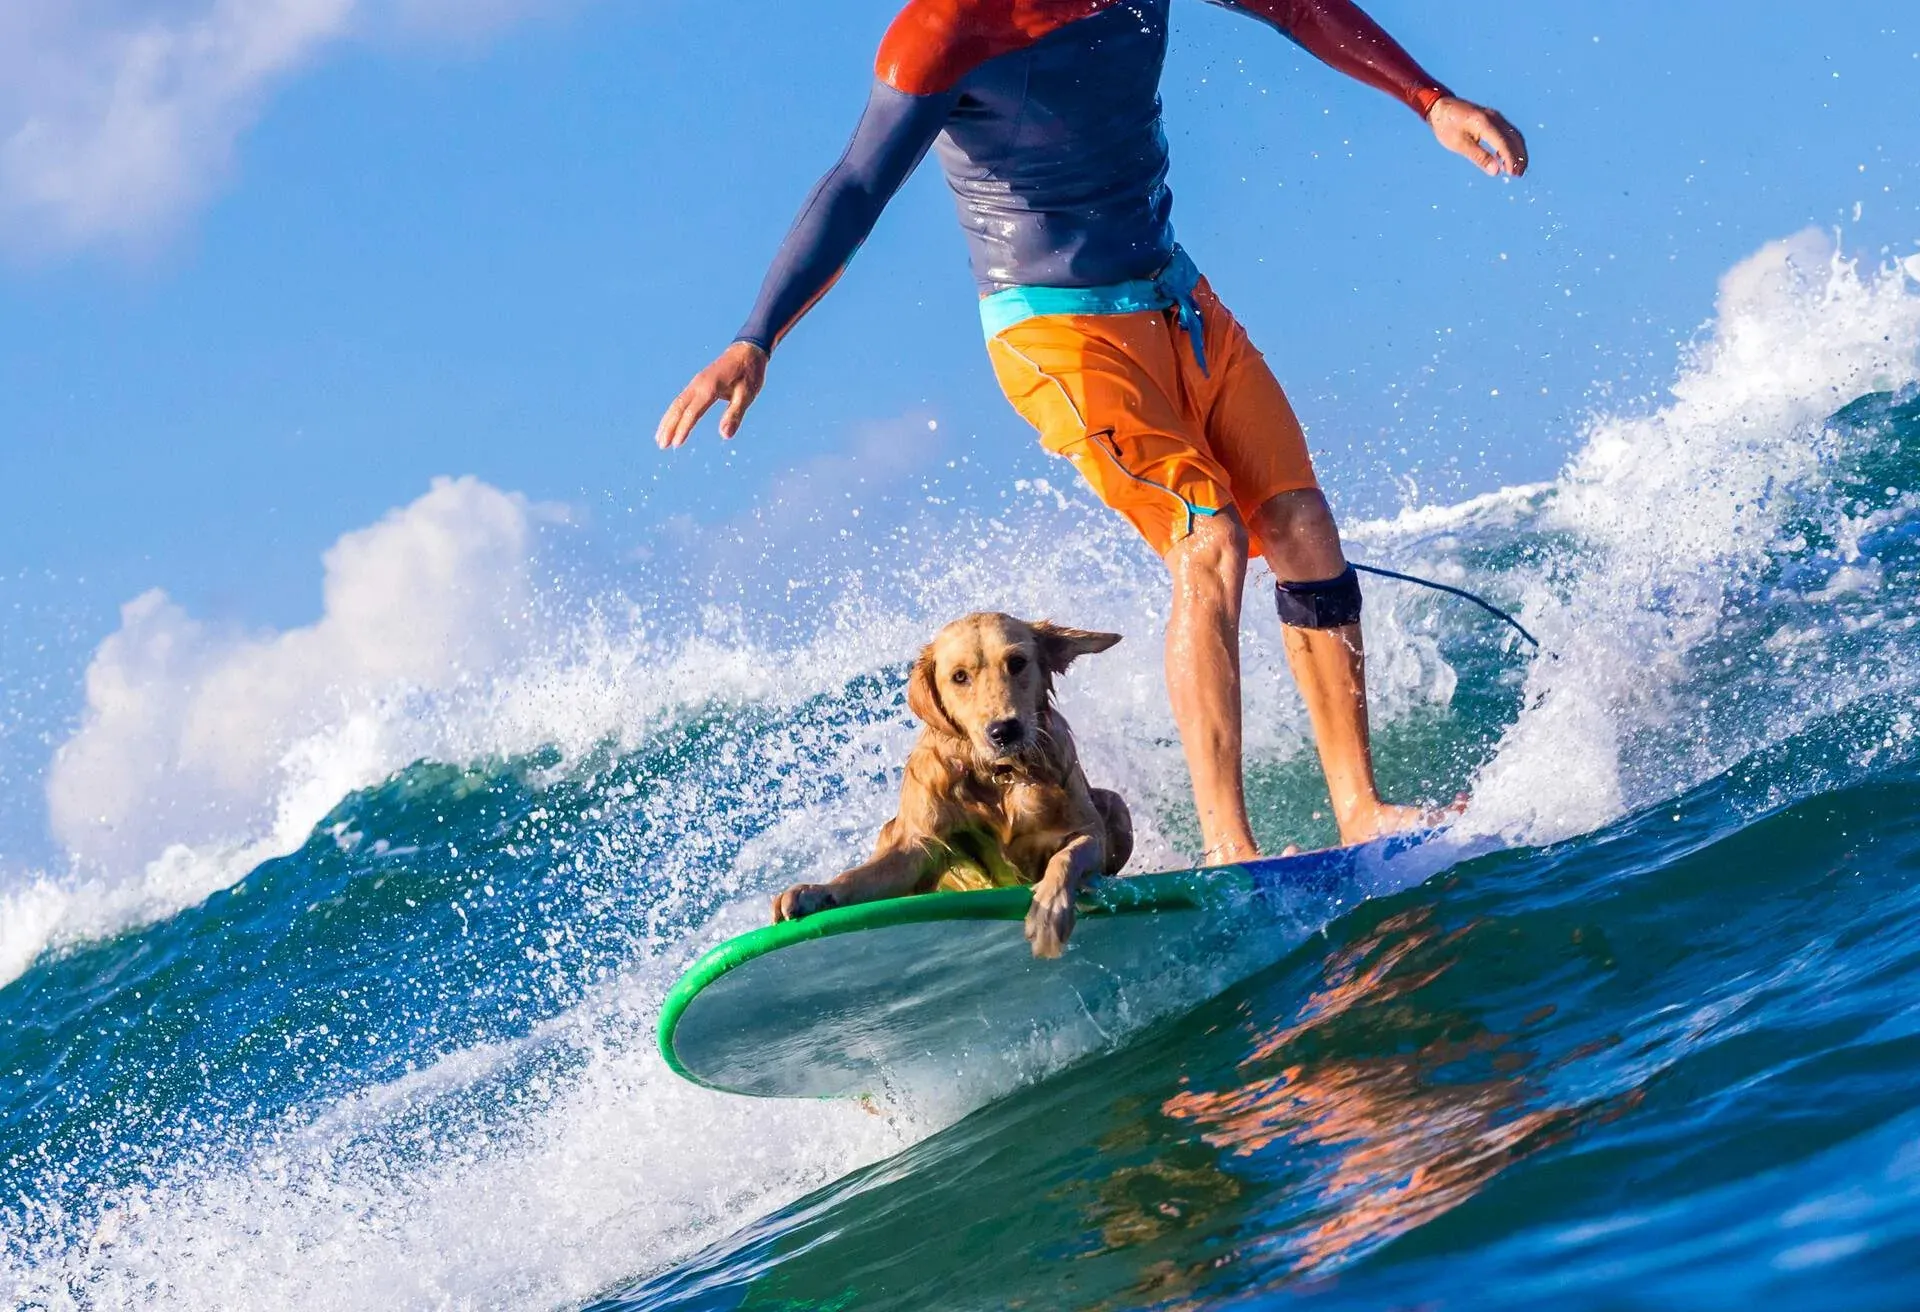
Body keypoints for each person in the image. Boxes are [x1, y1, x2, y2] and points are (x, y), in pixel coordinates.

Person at [657, 0, 1526, 863]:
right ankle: (1231, 847)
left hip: (1177, 301)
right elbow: (855, 184)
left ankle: (1359, 808)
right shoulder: (943, 31)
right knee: (1210, 538)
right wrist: (755, 336)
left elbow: (1296, 5)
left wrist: (1431, 99)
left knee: (1303, 528)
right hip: (1054, 331)